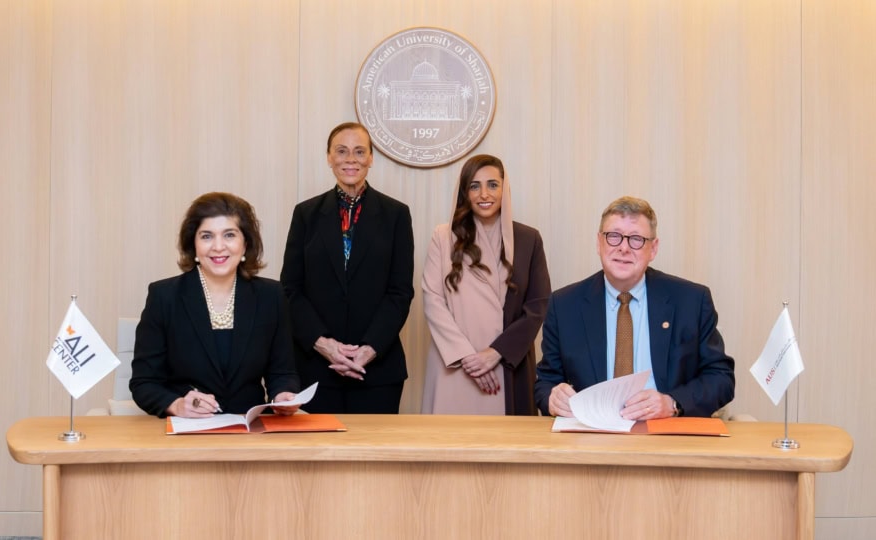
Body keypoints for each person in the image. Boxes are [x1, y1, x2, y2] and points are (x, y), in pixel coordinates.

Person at [534, 196, 735, 418]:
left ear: (653, 249)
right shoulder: (564, 305)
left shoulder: (691, 301)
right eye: (614, 236)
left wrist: (672, 403)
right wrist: (553, 398)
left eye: (636, 239)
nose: (624, 248)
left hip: (667, 433)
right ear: (599, 243)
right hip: (592, 435)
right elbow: (545, 382)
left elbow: (721, 378)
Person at [280, 122, 414, 414]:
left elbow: (400, 292)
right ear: (329, 158)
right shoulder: (306, 214)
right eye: (341, 151)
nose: (350, 159)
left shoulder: (396, 215)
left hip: (377, 371)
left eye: (359, 151)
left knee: (375, 456)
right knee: (316, 456)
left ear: (371, 158)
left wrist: (368, 350)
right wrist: (324, 344)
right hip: (316, 367)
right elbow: (291, 289)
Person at [130, 192, 301, 418]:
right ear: (194, 244)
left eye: (229, 235)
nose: (218, 247)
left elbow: (283, 372)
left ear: (245, 242)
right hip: (188, 432)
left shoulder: (271, 296)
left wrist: (283, 395)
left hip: (250, 430)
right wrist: (178, 405)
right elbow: (144, 383)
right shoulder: (164, 297)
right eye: (207, 236)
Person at [422, 154, 551, 415]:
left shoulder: (528, 239)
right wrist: (468, 358)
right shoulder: (444, 237)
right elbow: (432, 300)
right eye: (474, 185)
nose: (484, 194)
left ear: (505, 189)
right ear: (464, 192)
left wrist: (495, 353)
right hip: (454, 364)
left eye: (493, 184)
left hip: (507, 363)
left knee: (507, 448)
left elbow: (538, 306)